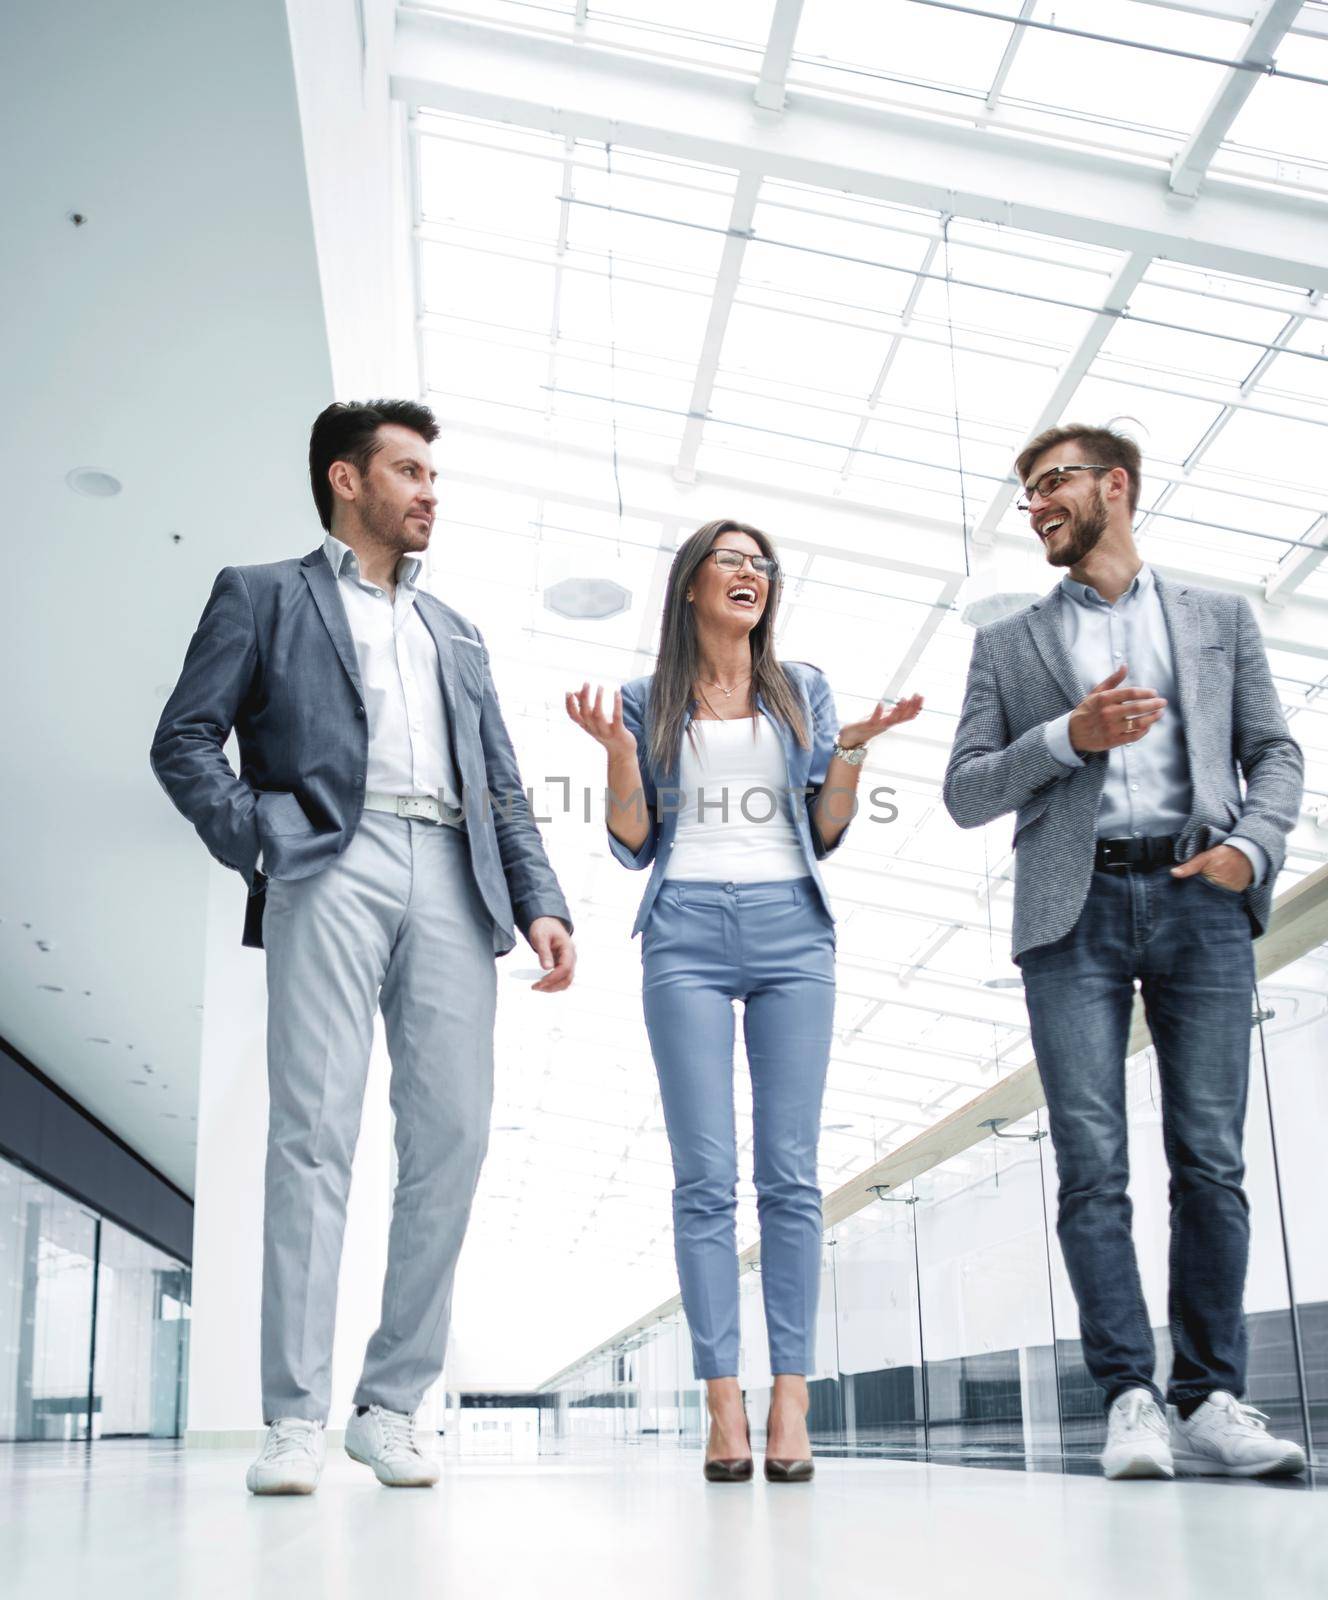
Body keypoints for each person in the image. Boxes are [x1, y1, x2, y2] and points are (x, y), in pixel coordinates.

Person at [151, 400, 574, 1495]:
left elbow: (502, 781)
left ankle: (389, 1405)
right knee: (313, 1135)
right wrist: (265, 833)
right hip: (329, 860)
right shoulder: (262, 594)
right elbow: (184, 739)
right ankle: (291, 1417)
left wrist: (539, 897)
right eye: (409, 470)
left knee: (454, 1138)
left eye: (433, 473)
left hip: (450, 869)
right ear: (347, 481)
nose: (430, 490)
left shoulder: (457, 631)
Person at [944, 423, 1305, 1481]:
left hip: (1199, 897)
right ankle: (1128, 1398)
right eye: (1026, 492)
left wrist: (1251, 844)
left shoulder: (1215, 619)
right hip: (1074, 910)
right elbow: (966, 789)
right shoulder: (1006, 644)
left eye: (1052, 483)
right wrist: (1068, 736)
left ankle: (1209, 1396)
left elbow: (1272, 750)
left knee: (1210, 1159)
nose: (1037, 504)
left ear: (1116, 486)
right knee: (1090, 1165)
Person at [567, 519, 920, 1483]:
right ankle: (722, 1404)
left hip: (792, 932)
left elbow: (828, 825)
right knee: (703, 1180)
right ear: (690, 585)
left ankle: (789, 1399)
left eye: (763, 563)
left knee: (792, 1176)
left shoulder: (801, 690)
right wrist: (615, 750)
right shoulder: (649, 699)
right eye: (732, 559)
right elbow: (634, 839)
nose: (751, 574)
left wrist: (850, 751)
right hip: (682, 928)